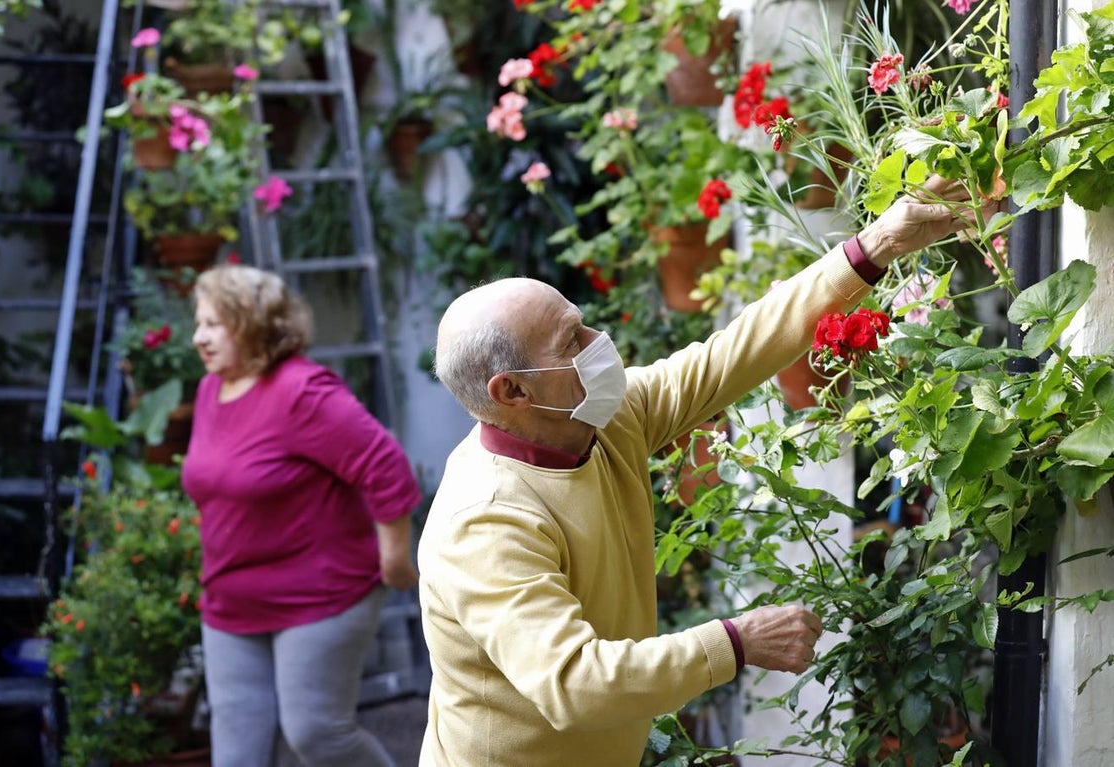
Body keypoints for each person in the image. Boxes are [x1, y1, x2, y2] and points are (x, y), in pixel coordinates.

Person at [417, 178, 994, 767]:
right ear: (512, 391)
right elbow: (575, 683)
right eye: (572, 341)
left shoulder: (603, 419)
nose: (600, 342)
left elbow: (732, 355)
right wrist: (736, 642)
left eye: (583, 324)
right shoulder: (486, 522)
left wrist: (874, 247)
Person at [181, 264, 421, 767]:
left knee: (315, 733)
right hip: (231, 599)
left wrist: (395, 559)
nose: (198, 337)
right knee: (237, 756)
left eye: (213, 324)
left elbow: (385, 466)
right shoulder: (210, 390)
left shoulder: (301, 391)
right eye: (198, 324)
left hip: (320, 595)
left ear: (253, 324)